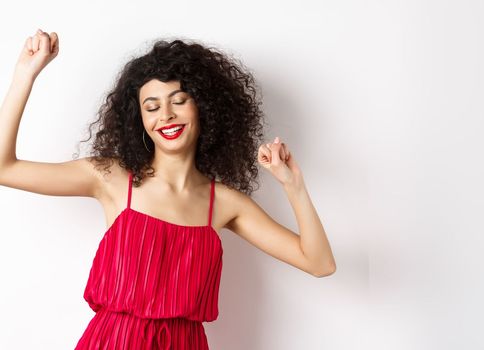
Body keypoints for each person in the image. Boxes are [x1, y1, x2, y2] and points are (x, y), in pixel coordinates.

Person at [0, 29, 335, 349]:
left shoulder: (225, 204)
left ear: (203, 107)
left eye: (179, 101)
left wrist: (294, 186)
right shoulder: (111, 178)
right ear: (139, 120)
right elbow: (5, 169)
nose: (167, 116)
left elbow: (319, 263)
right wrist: (24, 75)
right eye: (152, 107)